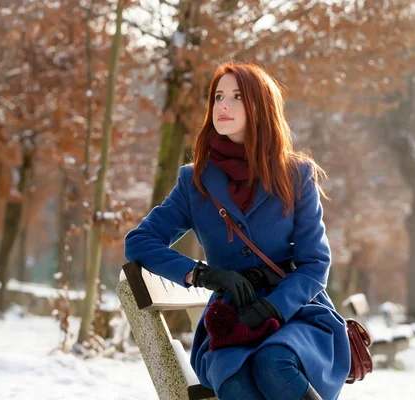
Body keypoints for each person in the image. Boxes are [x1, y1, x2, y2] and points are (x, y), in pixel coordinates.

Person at [124, 62, 350, 400]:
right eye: (217, 97)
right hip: (232, 324)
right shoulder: (195, 181)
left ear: (260, 106)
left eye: (236, 96)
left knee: (274, 362)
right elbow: (139, 242)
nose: (222, 106)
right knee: (236, 380)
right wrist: (202, 275)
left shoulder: (296, 175)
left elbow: (315, 265)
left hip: (295, 315)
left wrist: (273, 308)